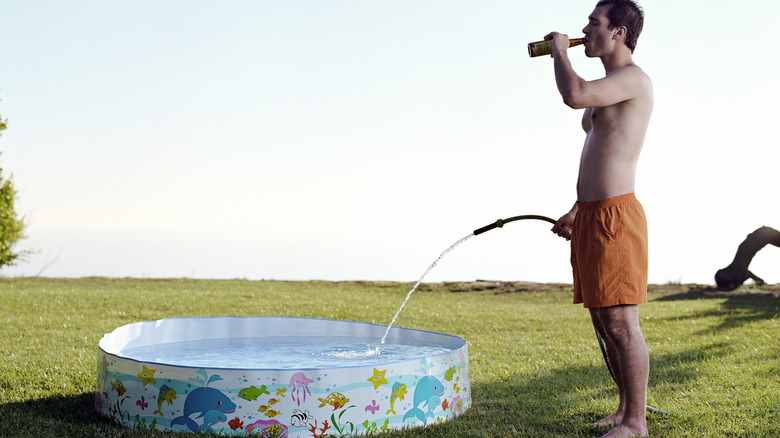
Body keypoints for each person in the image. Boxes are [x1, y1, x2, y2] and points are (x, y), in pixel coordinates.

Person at [546, 1, 652, 437]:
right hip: (591, 214)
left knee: (622, 322)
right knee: (602, 319)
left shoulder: (632, 79)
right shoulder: (611, 84)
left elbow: (574, 95)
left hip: (616, 215)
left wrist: (559, 53)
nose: (585, 28)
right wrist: (577, 207)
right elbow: (600, 151)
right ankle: (623, 410)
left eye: (594, 22)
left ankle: (635, 423)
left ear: (619, 32)